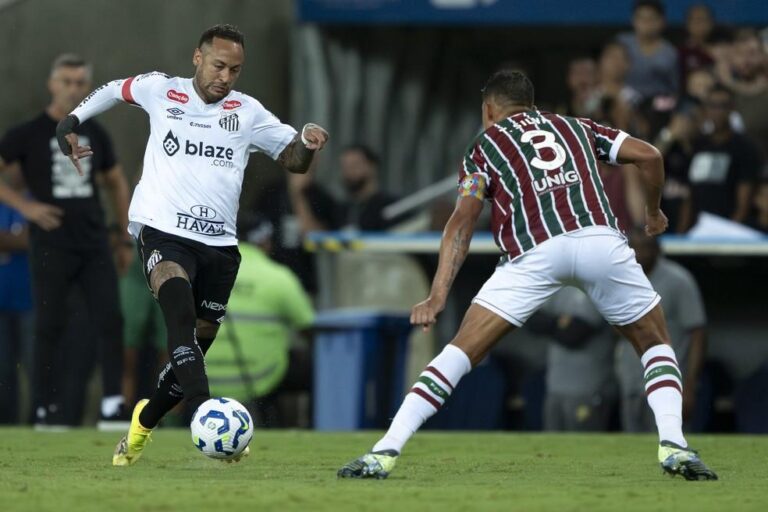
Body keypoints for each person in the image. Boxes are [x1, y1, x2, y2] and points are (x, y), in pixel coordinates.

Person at [338, 70, 717, 481]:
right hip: (599, 242)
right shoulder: (577, 126)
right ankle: (674, 446)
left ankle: (384, 451)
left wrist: (437, 294)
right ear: (532, 105)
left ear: (488, 110)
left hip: (535, 251)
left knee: (460, 352)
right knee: (654, 344)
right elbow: (650, 157)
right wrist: (653, 210)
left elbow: (461, 222)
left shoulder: (484, 148)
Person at [54, 24, 328, 465]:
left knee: (192, 352)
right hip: (161, 230)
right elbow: (111, 89)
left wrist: (308, 145)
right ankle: (206, 412)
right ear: (198, 59)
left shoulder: (248, 112)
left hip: (219, 246)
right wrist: (71, 122)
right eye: (219, 65)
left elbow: (292, 161)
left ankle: (144, 423)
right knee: (178, 314)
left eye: (234, 70)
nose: (225, 76)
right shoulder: (161, 90)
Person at [0, 54, 131, 428]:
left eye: (79, 82)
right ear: (52, 84)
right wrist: (25, 207)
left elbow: (116, 182)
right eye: (66, 81)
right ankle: (45, 406)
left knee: (110, 317)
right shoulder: (28, 133)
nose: (72, 88)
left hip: (92, 241)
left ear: (87, 88)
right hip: (51, 242)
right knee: (49, 323)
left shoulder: (96, 133)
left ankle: (111, 403)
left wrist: (122, 238)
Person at [205, 213, 314, 427]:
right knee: (316, 367)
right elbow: (308, 327)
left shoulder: (206, 273)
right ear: (265, 241)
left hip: (207, 378)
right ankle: (310, 426)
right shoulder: (279, 277)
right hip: (263, 379)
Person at [615, 229, 706, 431]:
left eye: (645, 247)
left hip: (668, 384)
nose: (639, 253)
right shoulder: (622, 280)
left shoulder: (678, 280)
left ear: (657, 249)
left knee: (670, 446)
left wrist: (690, 384)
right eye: (633, 248)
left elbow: (698, 332)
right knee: (631, 452)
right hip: (631, 382)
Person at [526, 288, 616, 432]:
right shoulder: (560, 288)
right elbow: (530, 319)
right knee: (552, 450)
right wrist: (559, 322)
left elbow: (574, 335)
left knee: (585, 448)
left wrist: (551, 322)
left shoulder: (599, 288)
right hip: (555, 387)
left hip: (589, 388)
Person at [684, 85, 762, 230]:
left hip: (728, 231)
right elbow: (690, 194)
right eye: (712, 106)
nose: (717, 111)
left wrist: (729, 232)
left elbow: (744, 199)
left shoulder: (744, 147)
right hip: (697, 230)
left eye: (723, 106)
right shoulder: (698, 145)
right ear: (706, 109)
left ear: (732, 108)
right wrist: (682, 232)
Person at [288, 144, 402, 233]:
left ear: (372, 167)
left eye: (355, 165)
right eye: (345, 167)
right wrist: (298, 193)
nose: (349, 172)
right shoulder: (342, 209)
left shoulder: (391, 207)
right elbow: (312, 234)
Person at [0, 204, 33, 424]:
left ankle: (38, 421)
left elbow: (35, 238)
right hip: (2, 303)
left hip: (30, 303)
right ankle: (6, 423)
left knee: (34, 368)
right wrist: (18, 239)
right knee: (3, 371)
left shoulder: (33, 200)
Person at [617, 0, 678, 102]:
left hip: (657, 104)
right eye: (641, 18)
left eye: (651, 19)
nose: (646, 23)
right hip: (623, 100)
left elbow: (674, 89)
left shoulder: (670, 53)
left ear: (662, 21)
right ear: (633, 20)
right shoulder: (621, 44)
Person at [678, 4, 715, 88]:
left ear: (711, 23)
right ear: (687, 24)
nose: (700, 24)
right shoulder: (680, 52)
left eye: (704, 20)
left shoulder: (721, 51)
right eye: (696, 20)